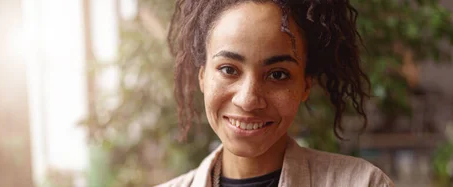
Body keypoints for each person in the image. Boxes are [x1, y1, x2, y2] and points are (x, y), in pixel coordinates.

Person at [159, 0, 394, 186]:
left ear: (305, 85)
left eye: (278, 74)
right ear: (202, 77)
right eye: (229, 69)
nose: (248, 100)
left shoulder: (364, 183)